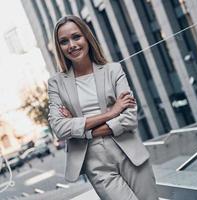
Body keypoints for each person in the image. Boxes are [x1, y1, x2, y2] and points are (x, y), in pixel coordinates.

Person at [48, 15, 158, 200]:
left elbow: (130, 117)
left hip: (130, 154)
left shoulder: (113, 70)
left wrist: (83, 129)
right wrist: (112, 112)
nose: (72, 45)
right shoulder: (56, 84)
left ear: (87, 37)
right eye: (64, 41)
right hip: (95, 163)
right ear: (59, 47)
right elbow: (59, 128)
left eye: (76, 37)